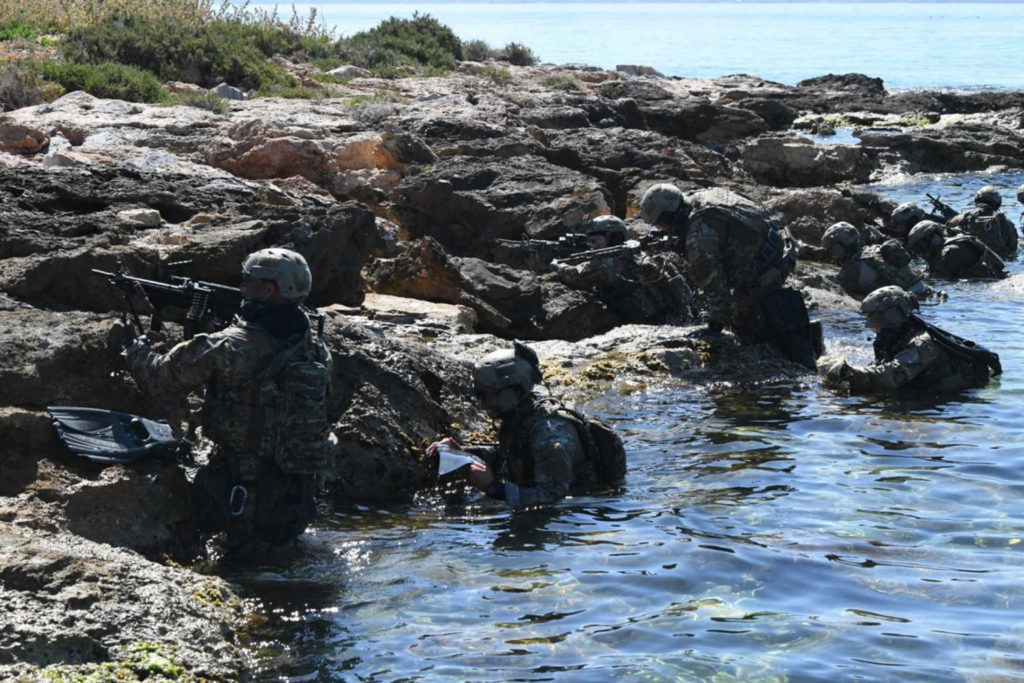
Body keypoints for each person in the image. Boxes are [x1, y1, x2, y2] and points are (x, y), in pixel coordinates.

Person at [123, 248, 335, 556]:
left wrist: (135, 349)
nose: (241, 286)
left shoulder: (228, 346)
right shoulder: (315, 349)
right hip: (294, 488)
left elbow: (162, 380)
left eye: (247, 279)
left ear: (269, 289)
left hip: (237, 489)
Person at [638, 183, 818, 368]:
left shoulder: (699, 235)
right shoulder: (703, 198)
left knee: (746, 328)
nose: (663, 229)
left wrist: (715, 327)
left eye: (662, 224)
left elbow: (714, 286)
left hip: (767, 272)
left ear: (671, 216)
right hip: (778, 250)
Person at [429, 342, 605, 507]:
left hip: (577, 512)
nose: (482, 404)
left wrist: (493, 488)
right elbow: (511, 456)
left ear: (513, 391)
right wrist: (461, 453)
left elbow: (555, 496)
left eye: (484, 395)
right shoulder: (521, 415)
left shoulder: (550, 432)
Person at [820, 286, 999, 395]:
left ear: (891, 316)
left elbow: (892, 377)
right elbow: (878, 367)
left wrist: (846, 372)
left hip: (953, 397)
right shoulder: (893, 337)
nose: (871, 324)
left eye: (875, 317)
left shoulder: (922, 343)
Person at [552, 215, 695, 324]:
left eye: (595, 240)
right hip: (674, 317)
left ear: (614, 237)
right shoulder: (638, 254)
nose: (591, 246)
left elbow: (575, 275)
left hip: (651, 325)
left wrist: (556, 265)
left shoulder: (610, 264)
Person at [820, 221, 931, 300]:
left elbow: (840, 290)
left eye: (832, 249)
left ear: (841, 246)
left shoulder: (852, 267)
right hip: (926, 291)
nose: (833, 254)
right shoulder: (876, 249)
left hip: (911, 300)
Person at [906, 220, 1007, 280]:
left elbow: (939, 281)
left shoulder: (950, 252)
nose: (920, 252)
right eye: (916, 248)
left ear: (934, 238)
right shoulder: (943, 250)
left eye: (921, 246)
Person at [945, 185, 1018, 260]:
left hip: (968, 263)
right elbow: (1013, 251)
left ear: (977, 199)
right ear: (998, 202)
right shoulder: (1007, 223)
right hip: (996, 264)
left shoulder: (960, 218)